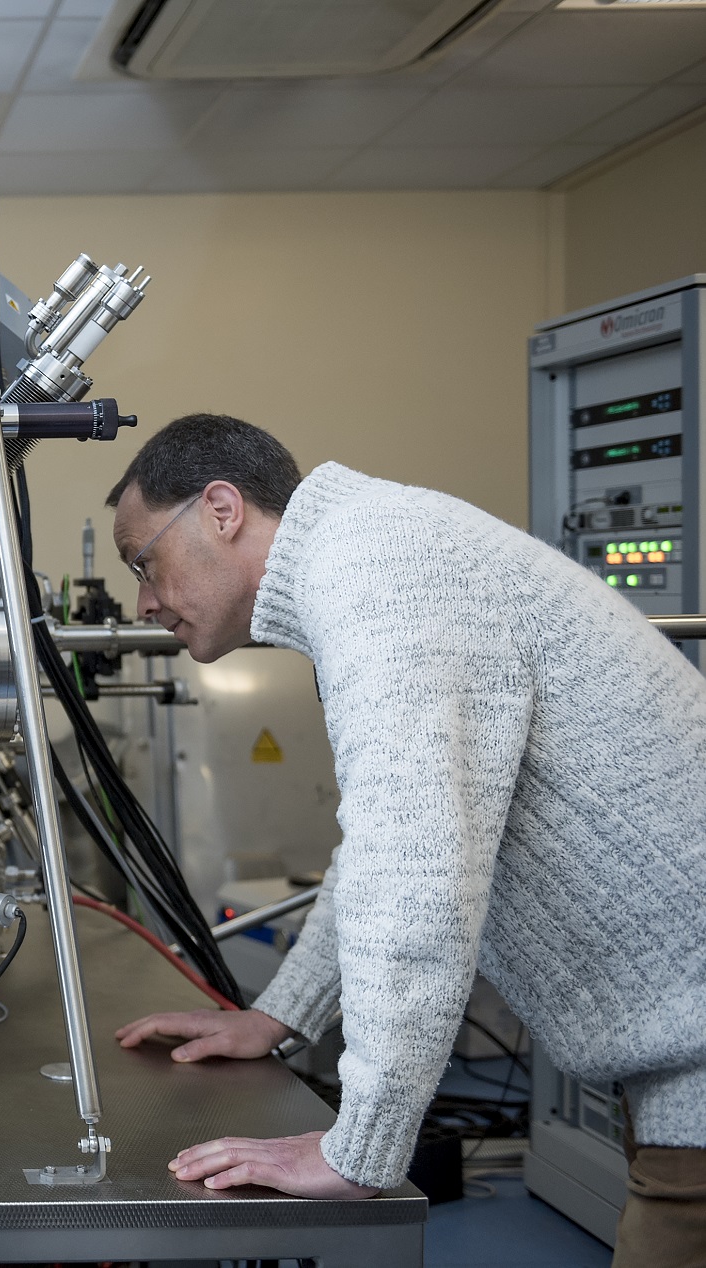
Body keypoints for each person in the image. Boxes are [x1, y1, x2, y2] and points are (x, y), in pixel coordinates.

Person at [105, 413, 706, 1265]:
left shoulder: (381, 573)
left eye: (144, 561)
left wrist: (361, 1147)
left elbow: (414, 872)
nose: (144, 602)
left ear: (221, 508)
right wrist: (284, 1013)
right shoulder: (369, 550)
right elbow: (380, 848)